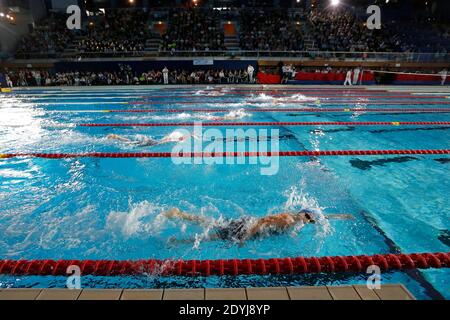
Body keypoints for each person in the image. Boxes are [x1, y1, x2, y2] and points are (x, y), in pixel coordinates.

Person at [164, 208, 353, 244]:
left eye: (312, 221)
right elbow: (263, 221)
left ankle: (181, 215)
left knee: (213, 224)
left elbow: (320, 216)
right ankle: (179, 241)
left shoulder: (298, 217)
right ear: (304, 214)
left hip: (246, 223)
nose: (310, 222)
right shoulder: (288, 220)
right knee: (213, 237)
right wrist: (245, 237)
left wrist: (340, 216)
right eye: (310, 219)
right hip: (246, 228)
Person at [107, 130, 197, 147]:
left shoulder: (167, 138)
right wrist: (190, 135)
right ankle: (117, 137)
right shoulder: (168, 140)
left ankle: (117, 137)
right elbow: (180, 138)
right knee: (131, 143)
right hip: (149, 142)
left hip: (148, 139)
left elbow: (179, 138)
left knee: (131, 142)